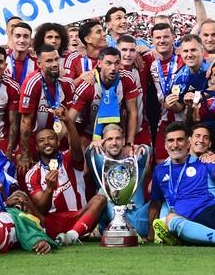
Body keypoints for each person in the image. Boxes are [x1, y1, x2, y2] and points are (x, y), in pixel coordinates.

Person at [24, 106, 106, 245]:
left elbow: (75, 147)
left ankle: (72, 236)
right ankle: (69, 235)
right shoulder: (32, 174)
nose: (46, 142)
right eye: (42, 140)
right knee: (23, 201)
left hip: (78, 216)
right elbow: (42, 209)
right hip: (52, 221)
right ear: (36, 147)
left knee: (100, 199)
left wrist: (67, 121)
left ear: (57, 142)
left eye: (51, 138)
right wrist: (49, 189)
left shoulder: (68, 158)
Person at [86, 123, 153, 238]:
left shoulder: (135, 160)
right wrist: (92, 145)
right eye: (109, 139)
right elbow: (89, 155)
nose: (114, 143)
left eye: (118, 138)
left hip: (138, 218)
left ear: (124, 141)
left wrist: (141, 147)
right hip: (112, 219)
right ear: (103, 143)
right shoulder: (100, 163)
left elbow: (147, 152)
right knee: (102, 193)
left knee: (159, 199)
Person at [67, 46, 141, 147]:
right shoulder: (88, 85)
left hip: (117, 132)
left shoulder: (127, 78)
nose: (113, 68)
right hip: (89, 131)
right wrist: (73, 144)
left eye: (117, 63)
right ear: (99, 64)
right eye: (108, 63)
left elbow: (132, 112)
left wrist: (129, 143)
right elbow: (70, 119)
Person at [18, 44, 74, 160]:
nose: (55, 64)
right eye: (49, 61)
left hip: (59, 140)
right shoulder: (32, 84)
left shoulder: (67, 83)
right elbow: (25, 122)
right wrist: (24, 155)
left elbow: (70, 120)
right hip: (36, 141)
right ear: (39, 64)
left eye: (56, 59)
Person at [7, 22, 36, 86]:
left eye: (26, 37)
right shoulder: (2, 58)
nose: (22, 40)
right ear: (11, 38)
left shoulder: (37, 63)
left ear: (30, 40)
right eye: (18, 36)